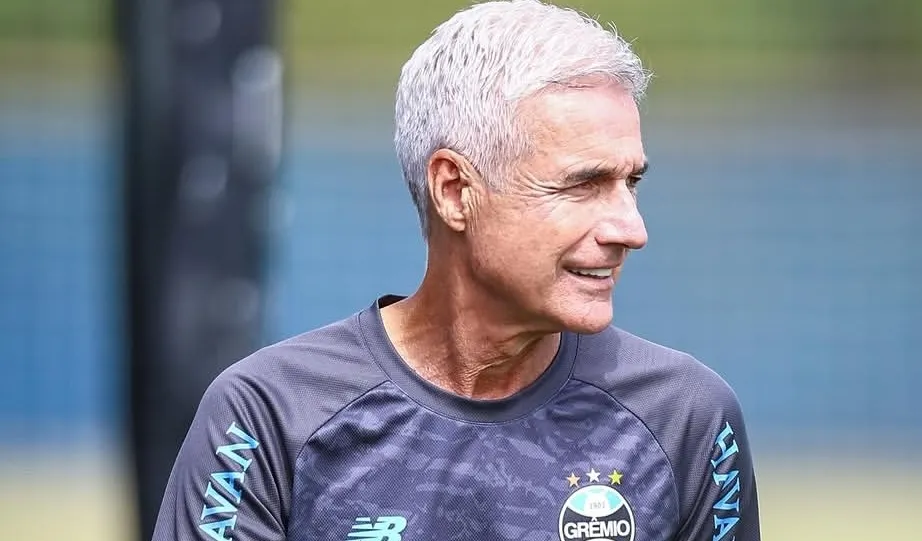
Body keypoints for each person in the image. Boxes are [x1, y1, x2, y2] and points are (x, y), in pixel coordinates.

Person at [151, 1, 760, 540]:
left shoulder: (686, 418)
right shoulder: (269, 414)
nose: (631, 229)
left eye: (631, 184)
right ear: (454, 190)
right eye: (584, 185)